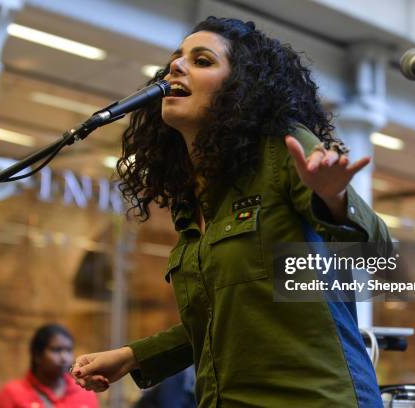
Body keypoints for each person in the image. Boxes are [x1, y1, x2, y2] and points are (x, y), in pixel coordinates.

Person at [71, 16, 392, 407]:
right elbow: (220, 321)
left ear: (239, 89)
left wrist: (334, 200)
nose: (176, 66)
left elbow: (378, 253)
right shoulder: (192, 204)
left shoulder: (282, 148)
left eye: (202, 61)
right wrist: (133, 355)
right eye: (176, 59)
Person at [0, 324, 98, 408]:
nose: (64, 357)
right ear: (37, 355)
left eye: (68, 350)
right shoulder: (12, 393)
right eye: (57, 350)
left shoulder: (85, 392)